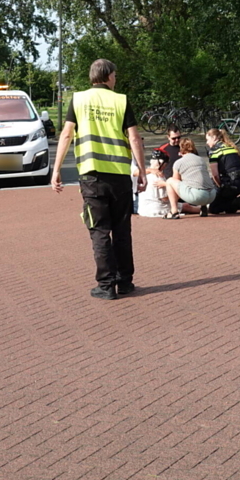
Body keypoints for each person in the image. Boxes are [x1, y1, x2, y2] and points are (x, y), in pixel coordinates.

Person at [51, 59, 146, 300]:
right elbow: (134, 139)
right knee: (122, 230)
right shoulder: (121, 100)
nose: (116, 79)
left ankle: (106, 285)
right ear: (108, 76)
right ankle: (125, 282)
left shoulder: (79, 99)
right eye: (115, 75)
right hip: (120, 175)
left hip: (92, 176)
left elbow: (66, 134)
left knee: (99, 230)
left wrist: (57, 169)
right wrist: (142, 171)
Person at [163, 137, 217, 219]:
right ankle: (203, 208)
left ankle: (174, 211)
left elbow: (175, 181)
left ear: (181, 148)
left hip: (198, 196)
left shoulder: (179, 163)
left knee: (170, 181)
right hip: (212, 195)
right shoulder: (201, 160)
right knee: (200, 179)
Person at [206, 128, 240, 215]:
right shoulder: (231, 147)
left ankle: (239, 201)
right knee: (228, 208)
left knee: (214, 208)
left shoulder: (214, 151)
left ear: (215, 138)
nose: (207, 142)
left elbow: (215, 175)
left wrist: (220, 187)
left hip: (230, 184)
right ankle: (236, 202)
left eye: (208, 139)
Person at [136, 150, 170, 218]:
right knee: (185, 206)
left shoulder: (143, 175)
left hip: (142, 210)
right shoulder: (159, 176)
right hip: (157, 209)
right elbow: (164, 198)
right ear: (162, 163)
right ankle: (197, 210)